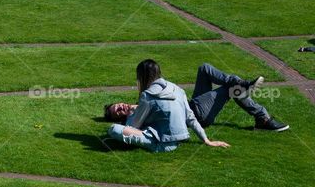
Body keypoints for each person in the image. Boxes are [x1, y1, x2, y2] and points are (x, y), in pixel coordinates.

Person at [105, 63, 288, 133]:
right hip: (198, 114)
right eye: (118, 112)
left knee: (204, 69)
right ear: (120, 118)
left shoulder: (142, 98)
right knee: (229, 89)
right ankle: (263, 117)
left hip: (192, 104)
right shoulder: (136, 118)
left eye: (118, 105)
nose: (121, 107)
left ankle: (242, 86)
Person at [105, 59, 231, 152]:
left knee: (114, 129)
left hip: (162, 143)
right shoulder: (177, 88)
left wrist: (131, 116)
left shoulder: (147, 96)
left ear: (141, 78)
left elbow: (134, 126)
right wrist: (206, 140)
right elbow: (190, 118)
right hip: (180, 137)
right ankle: (239, 85)